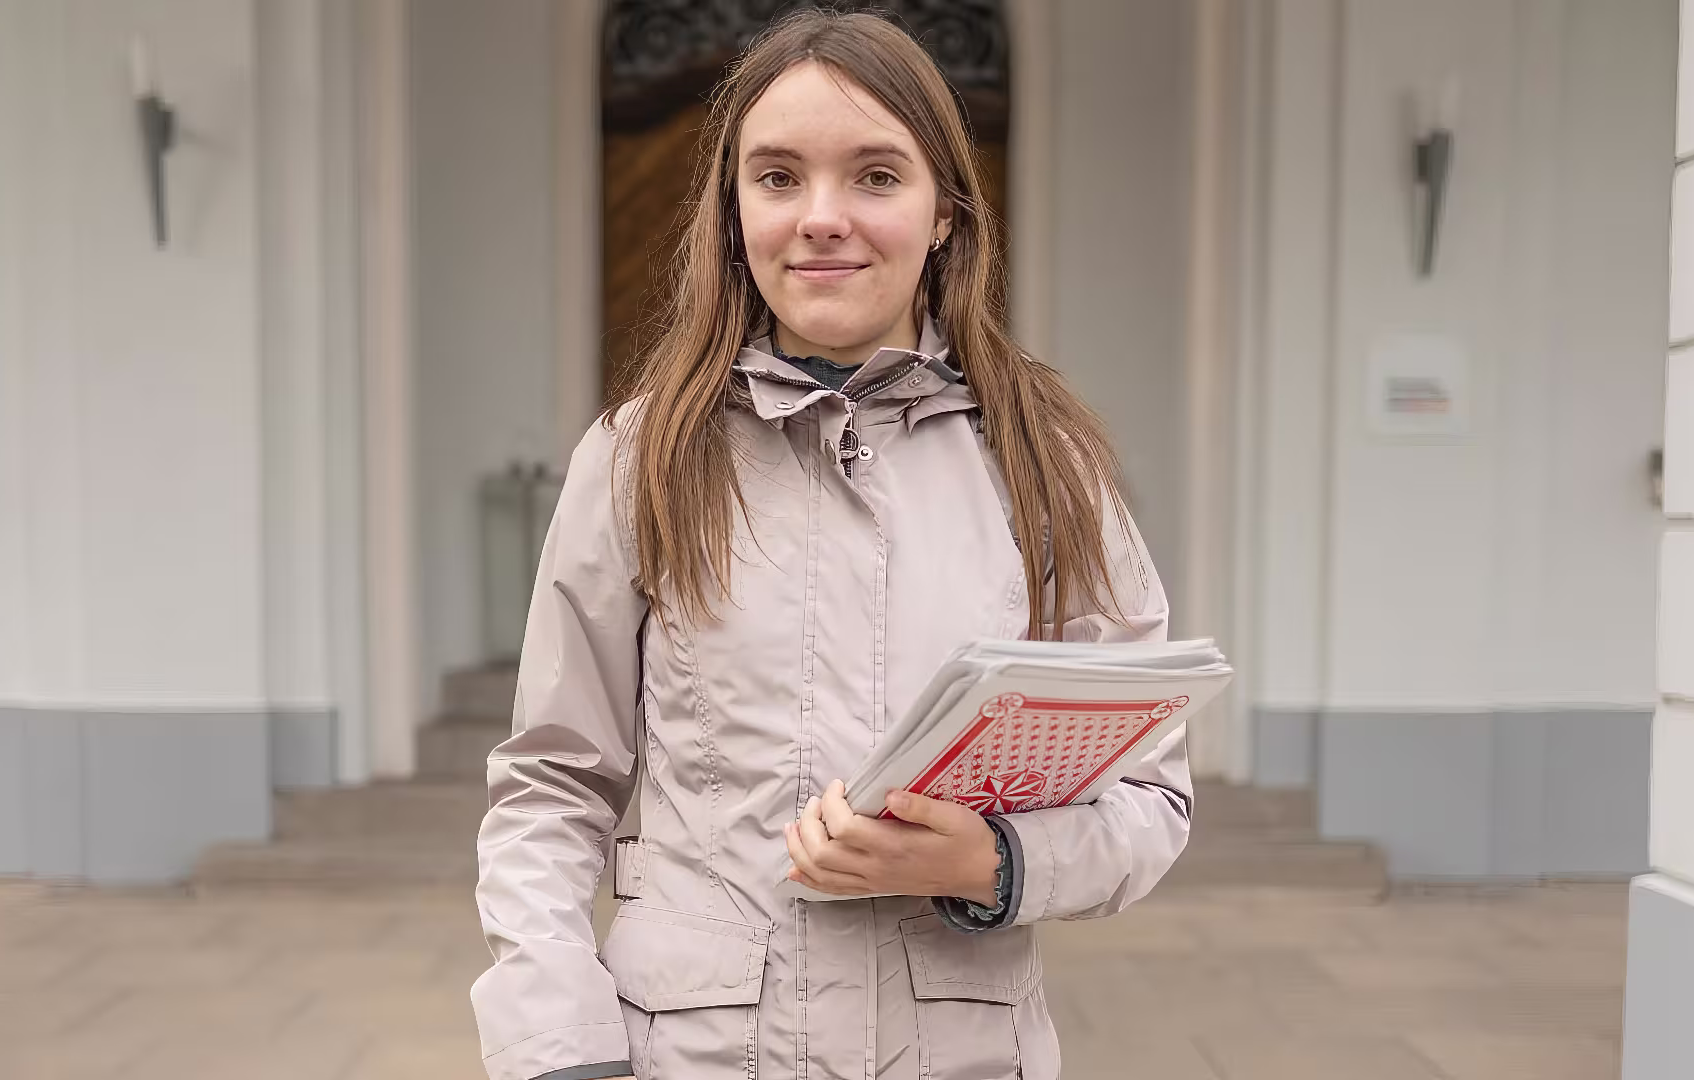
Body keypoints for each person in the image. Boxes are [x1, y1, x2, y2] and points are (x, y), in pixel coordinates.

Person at [471, 10, 1190, 1079]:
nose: (821, 218)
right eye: (777, 177)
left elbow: (1150, 800)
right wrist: (560, 1050)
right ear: (735, 213)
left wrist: (994, 861)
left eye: (876, 177)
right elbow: (551, 786)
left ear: (944, 214)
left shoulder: (1047, 464)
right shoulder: (639, 458)